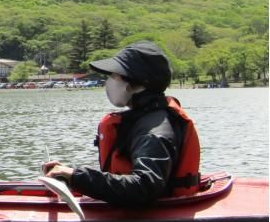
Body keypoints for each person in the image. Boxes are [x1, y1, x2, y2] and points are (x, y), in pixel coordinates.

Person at [42, 41, 200, 205]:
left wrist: (77, 176)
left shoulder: (154, 131)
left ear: (134, 83)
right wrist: (70, 176)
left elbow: (144, 186)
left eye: (113, 75)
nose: (109, 82)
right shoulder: (144, 119)